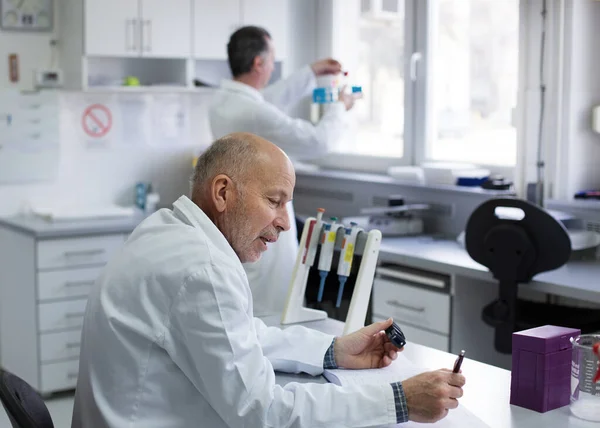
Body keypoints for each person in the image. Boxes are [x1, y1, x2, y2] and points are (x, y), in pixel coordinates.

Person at [72, 132, 466, 428]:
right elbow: (263, 414)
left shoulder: (168, 230)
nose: (282, 221)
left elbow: (239, 334)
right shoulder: (202, 267)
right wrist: (399, 400)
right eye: (274, 201)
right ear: (223, 192)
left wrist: (333, 352)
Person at [209, 25, 357, 316]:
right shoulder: (252, 111)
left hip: (236, 220)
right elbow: (318, 141)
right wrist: (339, 106)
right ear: (259, 63)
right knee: (268, 313)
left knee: (253, 310)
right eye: (272, 59)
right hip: (258, 224)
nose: (273, 66)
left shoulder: (223, 101)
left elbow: (267, 100)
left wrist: (310, 73)